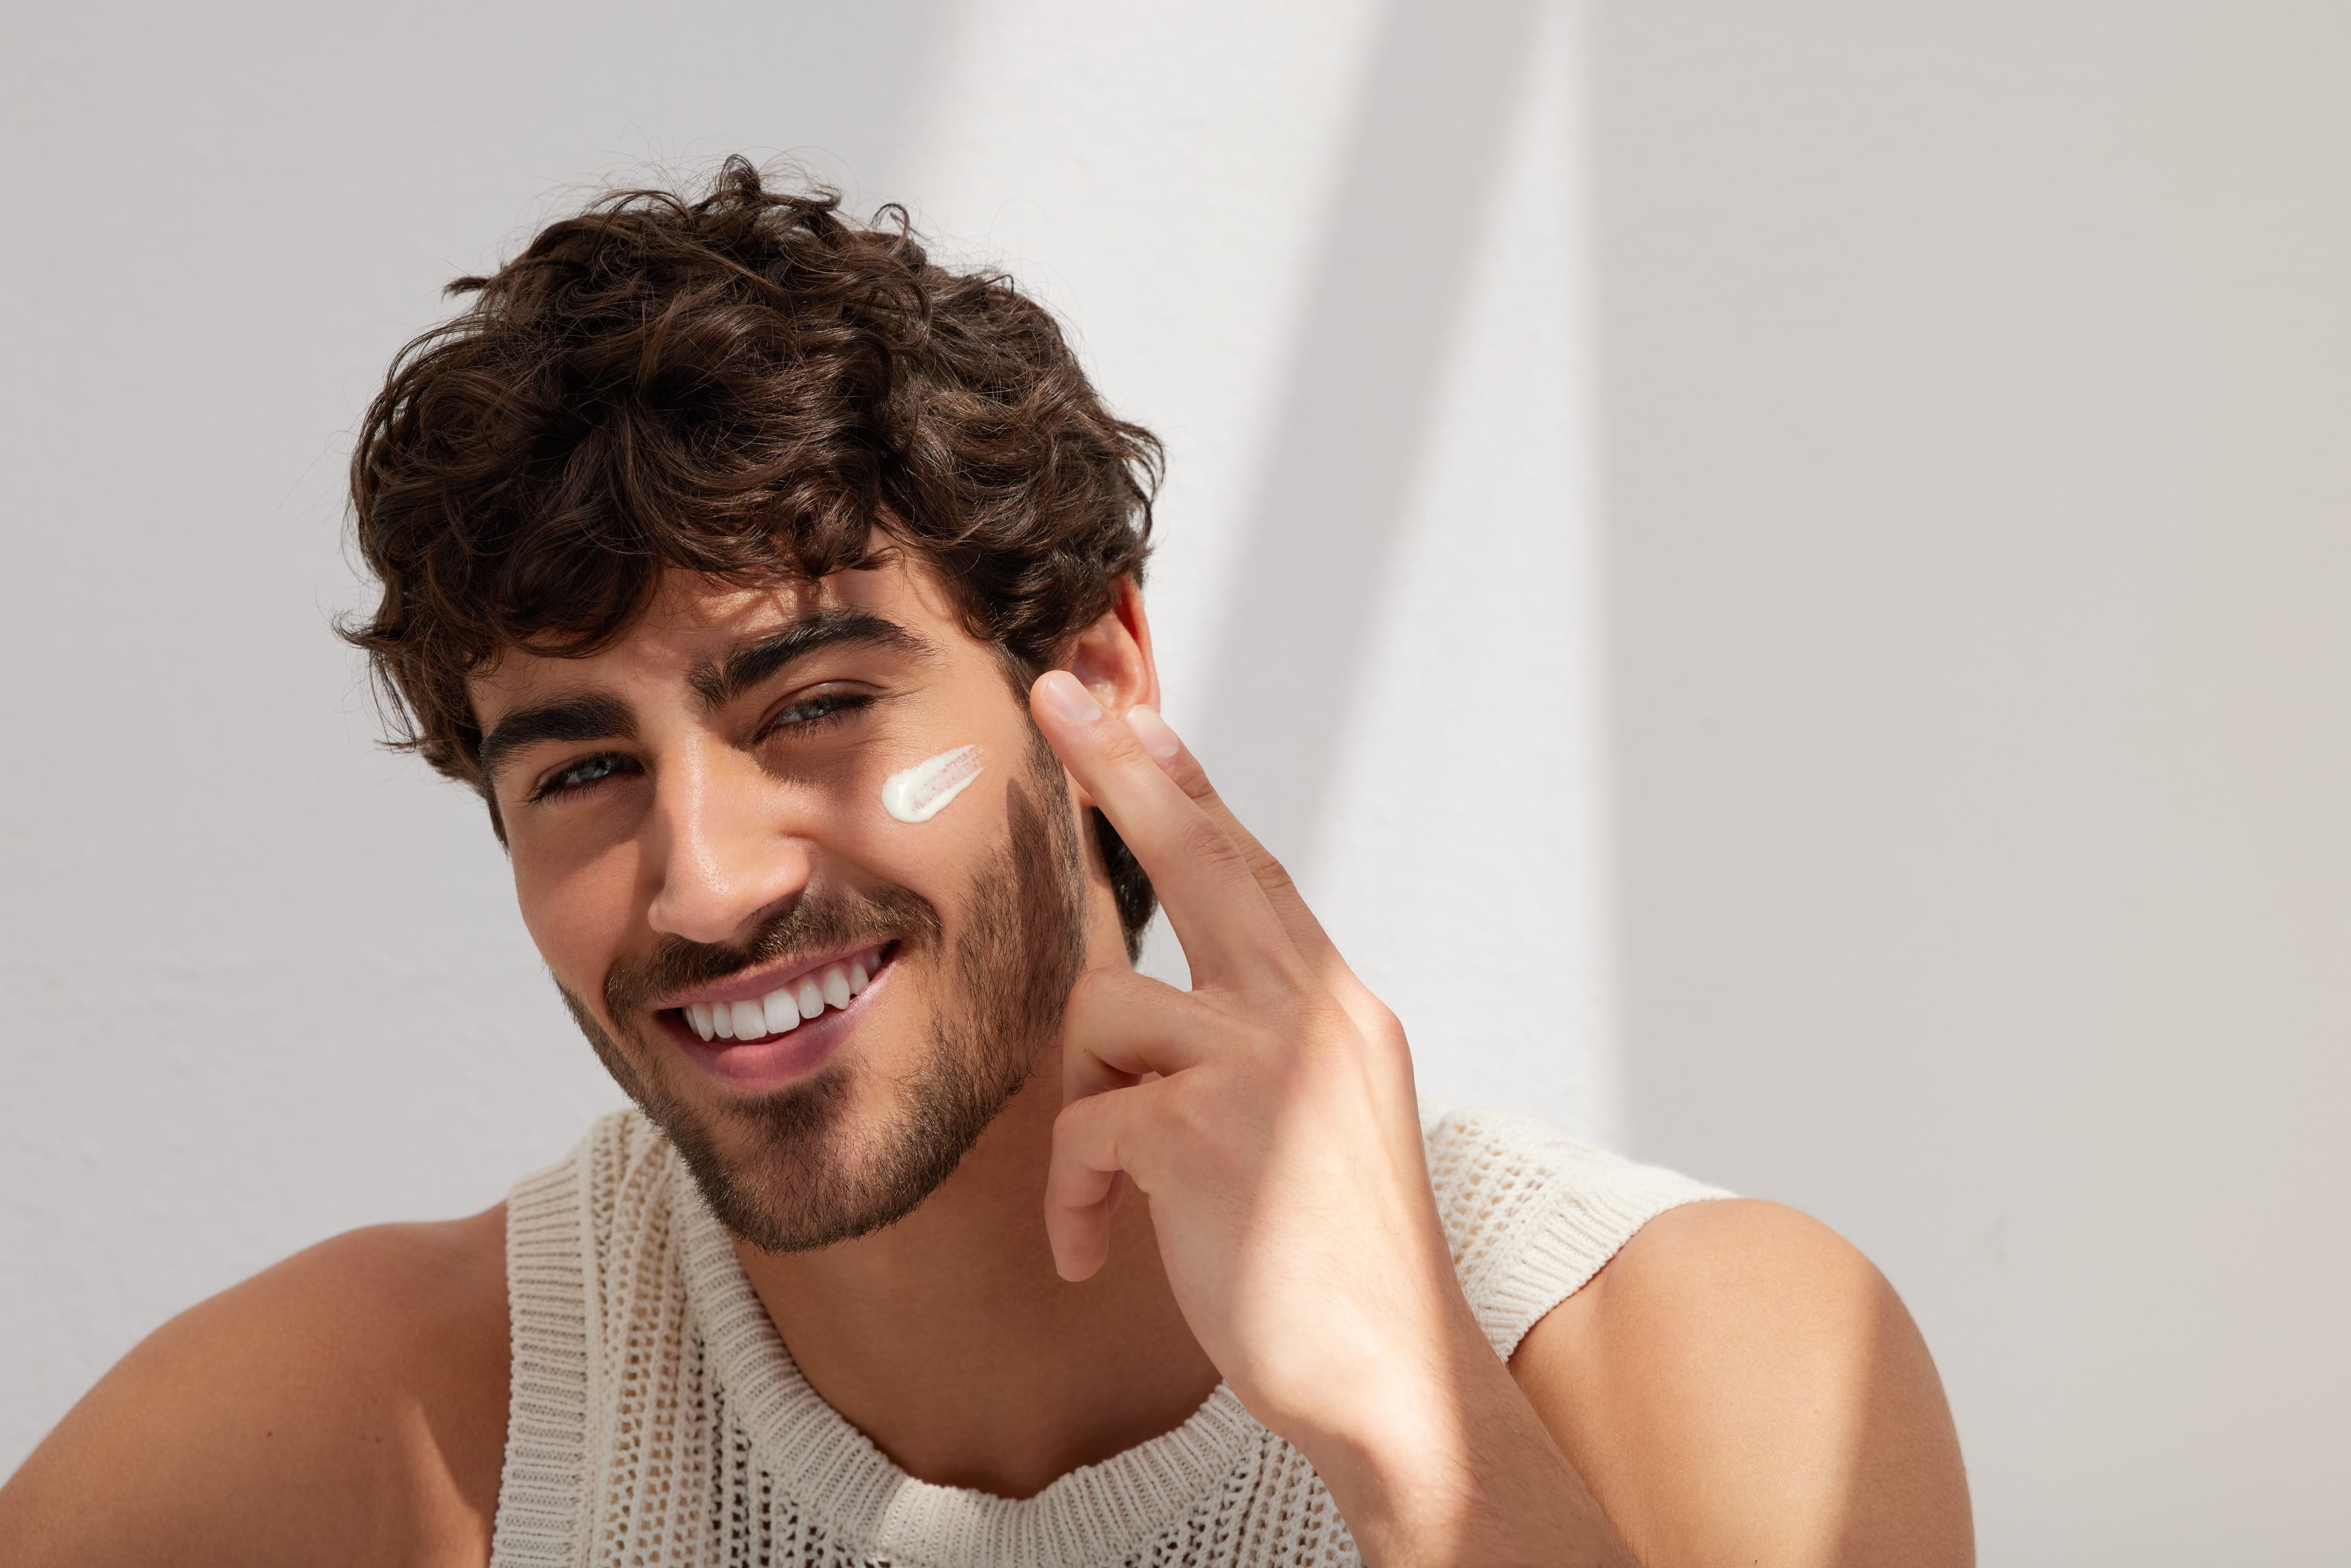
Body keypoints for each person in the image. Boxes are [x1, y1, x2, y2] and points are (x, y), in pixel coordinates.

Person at [0, 158, 1972, 1567]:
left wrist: (1421, 1452)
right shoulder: (390, 1436)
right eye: (583, 765)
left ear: (1091, 673)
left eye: (810, 705)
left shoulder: (1706, 1360)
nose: (702, 882)